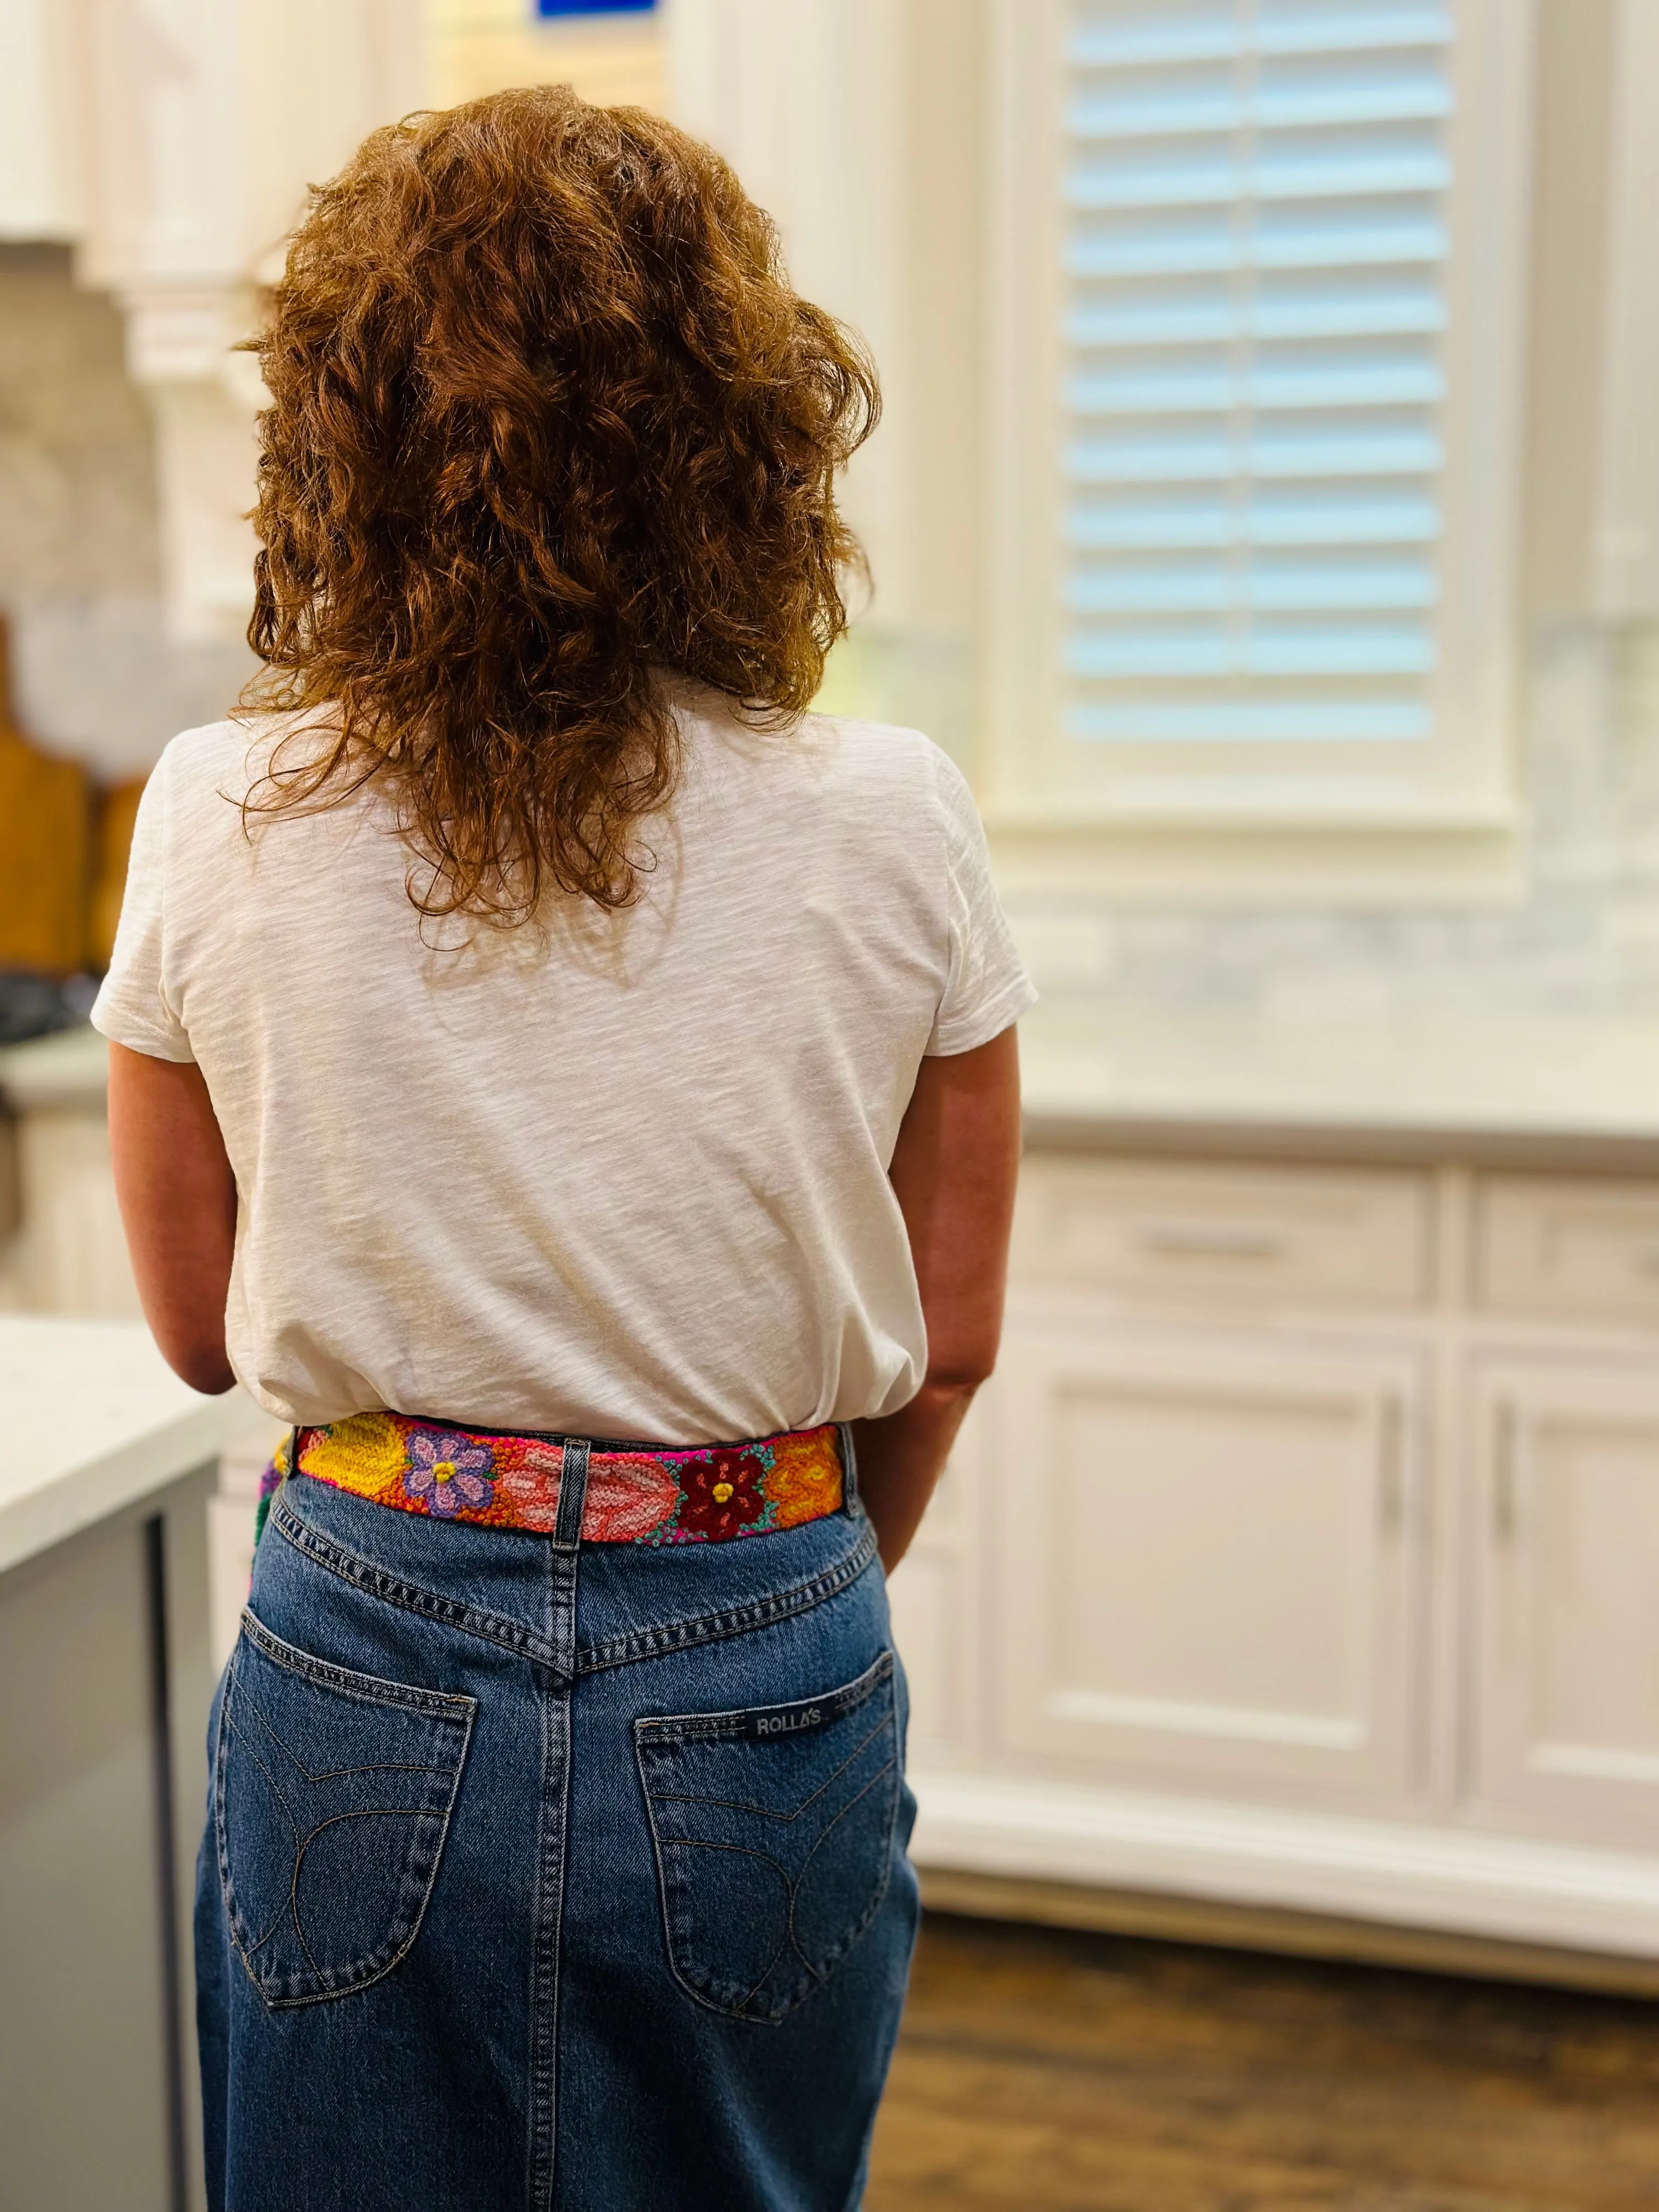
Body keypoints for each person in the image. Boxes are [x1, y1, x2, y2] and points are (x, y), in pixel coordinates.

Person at [95, 84, 1032, 2212]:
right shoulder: (894, 814)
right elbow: (948, 1338)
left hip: (361, 1627)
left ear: (344, 440)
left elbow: (189, 1329)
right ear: (742, 445)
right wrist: (750, 1562)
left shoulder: (216, 815)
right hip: (765, 1614)